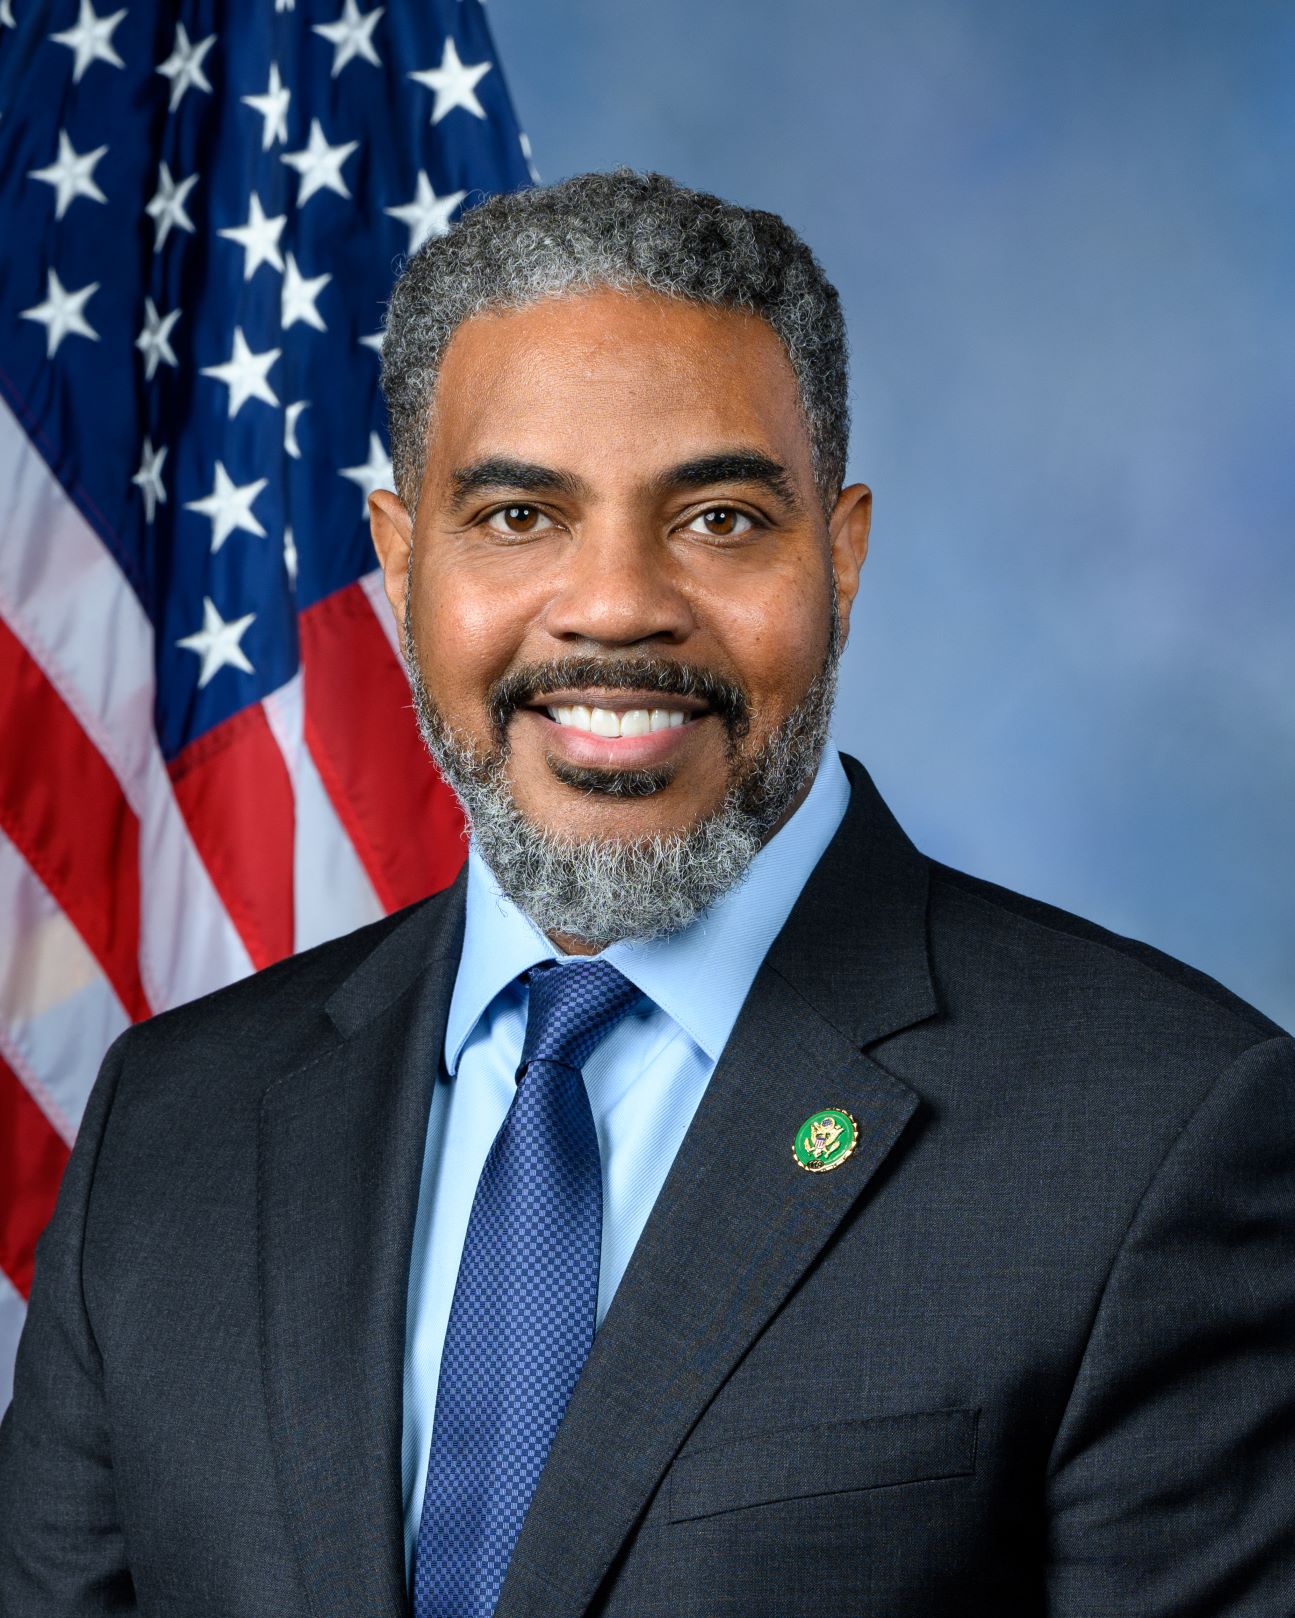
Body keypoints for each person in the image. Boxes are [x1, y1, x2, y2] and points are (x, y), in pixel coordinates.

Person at [1, 170, 1291, 1618]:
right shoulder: (170, 1124)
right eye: (516, 516)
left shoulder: (1161, 1130)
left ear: (844, 555)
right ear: (400, 557)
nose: (615, 603)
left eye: (722, 518)